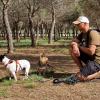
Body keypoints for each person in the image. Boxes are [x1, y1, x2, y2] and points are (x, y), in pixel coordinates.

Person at [70, 16, 100, 81]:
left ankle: (98, 73)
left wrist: (79, 46)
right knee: (72, 50)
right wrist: (75, 46)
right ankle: (82, 69)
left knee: (80, 77)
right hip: (90, 59)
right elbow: (73, 42)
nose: (76, 25)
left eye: (78, 24)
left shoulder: (93, 33)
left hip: (97, 61)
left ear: (85, 24)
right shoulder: (82, 34)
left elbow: (91, 51)